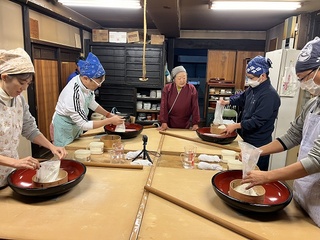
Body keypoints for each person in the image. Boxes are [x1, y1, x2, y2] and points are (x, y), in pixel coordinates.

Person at [241, 37, 320, 227]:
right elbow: (292, 136)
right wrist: (257, 151)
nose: (303, 84)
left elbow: (316, 160)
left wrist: (268, 176)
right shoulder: (312, 104)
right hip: (304, 191)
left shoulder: (269, 95)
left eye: (305, 77)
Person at [0, 48, 67, 187]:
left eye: (28, 84)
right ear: (5, 77)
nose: (24, 88)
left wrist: (51, 147)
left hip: (9, 174)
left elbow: (29, 129)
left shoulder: (19, 100)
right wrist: (15, 162)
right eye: (21, 82)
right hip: (12, 165)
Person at [218, 56, 280, 171]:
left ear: (262, 75)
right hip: (246, 139)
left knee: (255, 175)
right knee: (243, 172)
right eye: (248, 77)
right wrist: (227, 101)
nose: (249, 80)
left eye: (251, 77)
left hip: (259, 144)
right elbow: (242, 98)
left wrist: (236, 125)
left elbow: (257, 121)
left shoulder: (269, 95)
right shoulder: (253, 88)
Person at [52, 52, 124, 147]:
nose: (100, 85)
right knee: (65, 155)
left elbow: (91, 102)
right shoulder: (73, 94)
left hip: (76, 125)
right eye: (98, 82)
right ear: (86, 78)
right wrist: (109, 121)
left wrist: (108, 115)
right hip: (64, 127)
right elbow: (83, 124)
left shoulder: (87, 86)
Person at [158, 65, 200, 131]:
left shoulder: (191, 89)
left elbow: (195, 107)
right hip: (169, 124)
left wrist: (195, 123)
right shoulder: (167, 88)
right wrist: (164, 122)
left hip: (185, 123)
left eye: (184, 78)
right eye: (179, 78)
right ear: (174, 79)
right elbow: (164, 106)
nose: (182, 80)